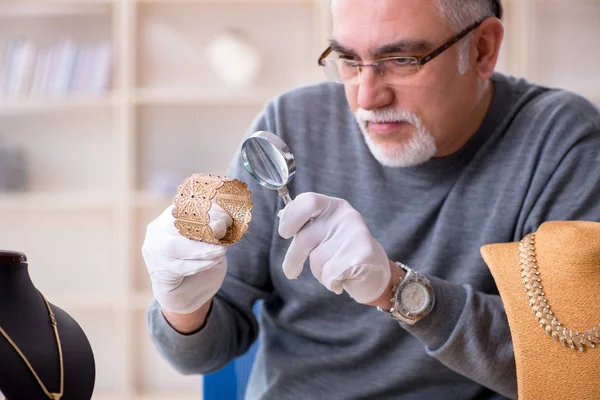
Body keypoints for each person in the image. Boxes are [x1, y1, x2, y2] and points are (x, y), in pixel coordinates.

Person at [142, 0, 600, 399]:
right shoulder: (291, 122)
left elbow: (575, 374)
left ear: (481, 49)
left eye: (401, 59)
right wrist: (183, 307)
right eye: (347, 58)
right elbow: (203, 354)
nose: (366, 97)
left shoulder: (559, 140)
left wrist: (398, 291)